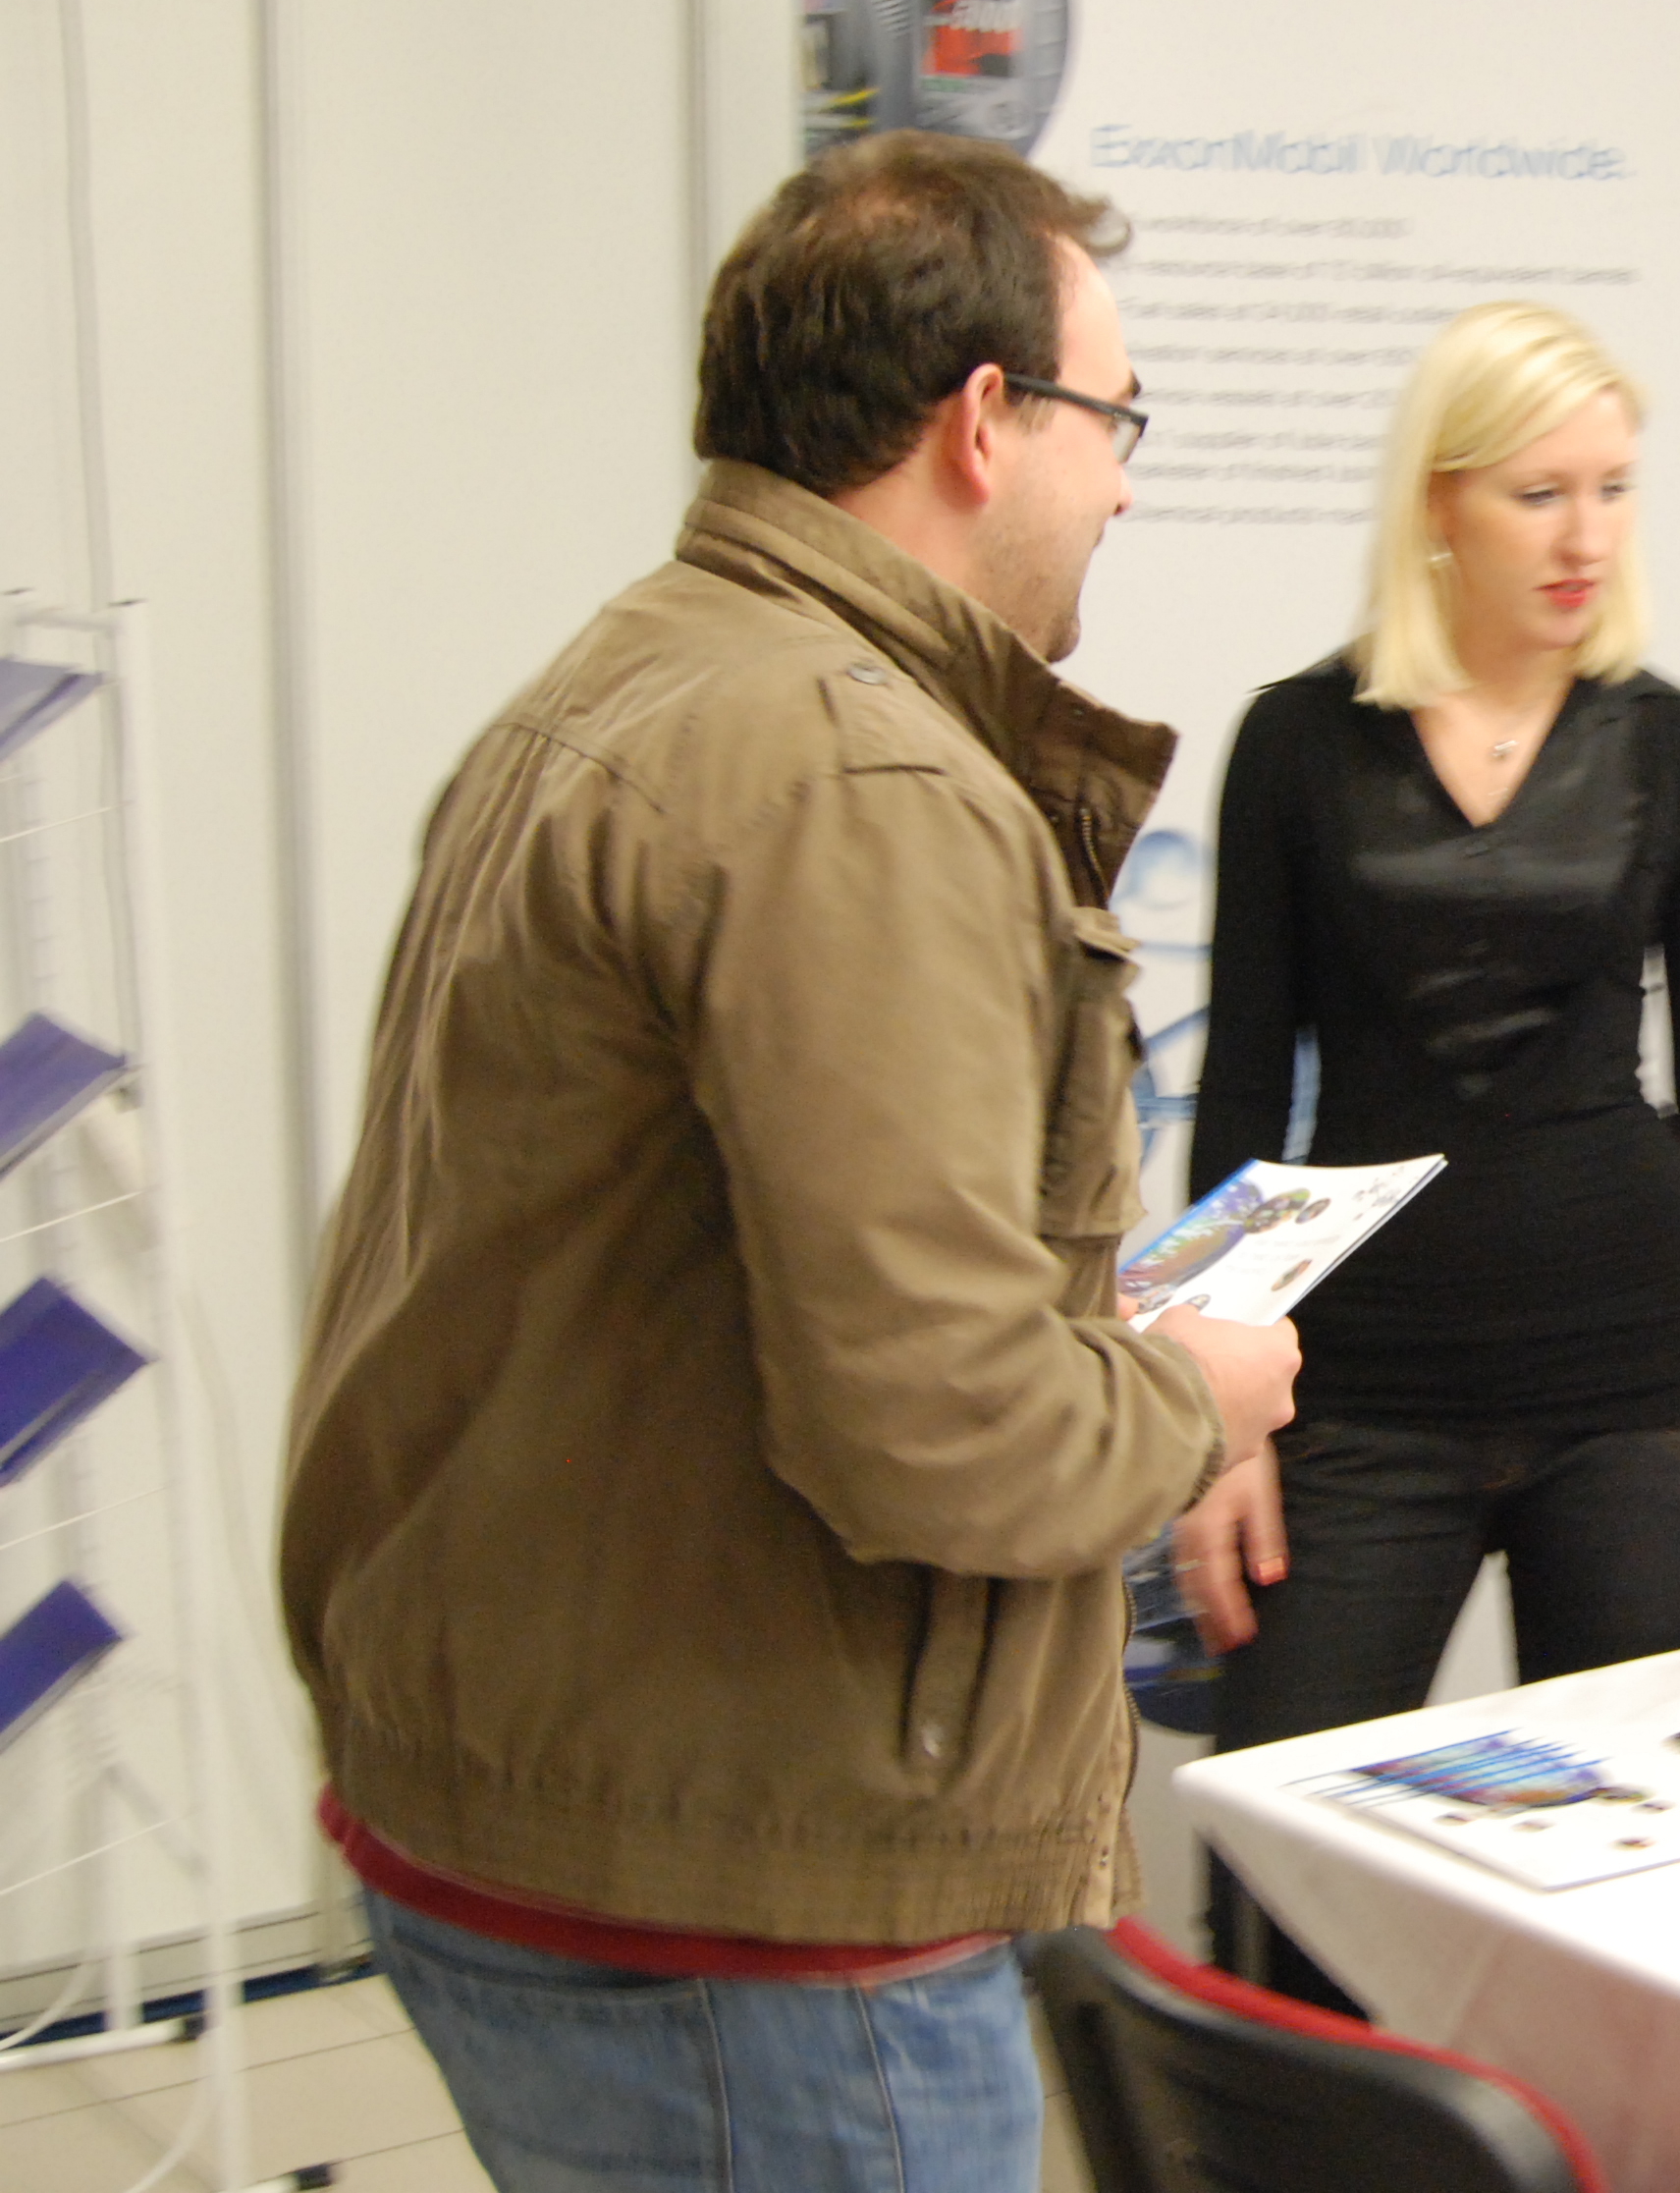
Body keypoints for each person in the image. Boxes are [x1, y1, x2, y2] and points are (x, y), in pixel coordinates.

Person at [279, 133, 1301, 2193]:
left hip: (547, 1807)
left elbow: (689, 1262)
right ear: (984, 419)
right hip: (753, 1917)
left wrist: (1051, 1318)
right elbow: (938, 1431)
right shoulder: (859, 779)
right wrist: (1191, 1396)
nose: (1123, 484)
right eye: (1114, 422)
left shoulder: (631, 681)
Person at [1183, 302, 1680, 1990]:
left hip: (1633, 1379)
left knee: (1600, 1885)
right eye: (1540, 493)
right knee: (1280, 1879)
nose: (1584, 538)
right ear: (1439, 503)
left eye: (1612, 489)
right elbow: (1242, 1088)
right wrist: (1211, 1412)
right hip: (1357, 1380)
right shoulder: (1294, 741)